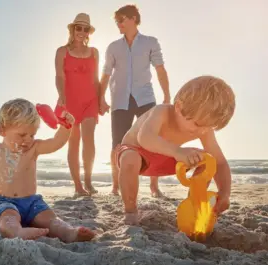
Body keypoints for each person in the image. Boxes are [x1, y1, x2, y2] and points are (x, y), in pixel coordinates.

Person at [0, 98, 95, 242]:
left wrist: (65, 127)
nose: (27, 139)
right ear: (2, 130)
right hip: (2, 202)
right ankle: (17, 232)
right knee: (8, 219)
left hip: (31, 201)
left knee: (51, 219)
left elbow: (56, 142)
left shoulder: (33, 148)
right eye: (22, 134)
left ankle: (69, 233)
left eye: (32, 134)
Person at [113, 75, 235, 225]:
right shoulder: (161, 112)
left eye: (208, 127)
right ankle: (130, 211)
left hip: (166, 159)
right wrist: (178, 152)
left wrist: (225, 193)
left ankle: (194, 203)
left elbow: (220, 162)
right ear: (178, 107)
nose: (202, 131)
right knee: (130, 158)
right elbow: (144, 138)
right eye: (198, 124)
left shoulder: (203, 129)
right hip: (138, 153)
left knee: (207, 159)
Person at [99, 4, 170, 197]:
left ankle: (154, 187)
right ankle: (116, 186)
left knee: (154, 140)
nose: (118, 24)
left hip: (145, 98)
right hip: (120, 99)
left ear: (132, 19)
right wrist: (101, 98)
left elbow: (160, 69)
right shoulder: (113, 47)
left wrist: (166, 96)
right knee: (117, 144)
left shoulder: (150, 42)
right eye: (116, 21)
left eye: (121, 20)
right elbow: (105, 75)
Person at [55, 13, 105, 197]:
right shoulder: (62, 51)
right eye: (78, 28)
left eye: (85, 29)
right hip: (70, 101)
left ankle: (89, 181)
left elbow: (96, 79)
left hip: (90, 99)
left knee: (89, 140)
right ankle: (78, 186)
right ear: (73, 29)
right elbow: (59, 76)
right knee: (73, 143)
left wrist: (101, 100)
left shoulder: (94, 52)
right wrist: (61, 95)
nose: (81, 32)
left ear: (88, 32)